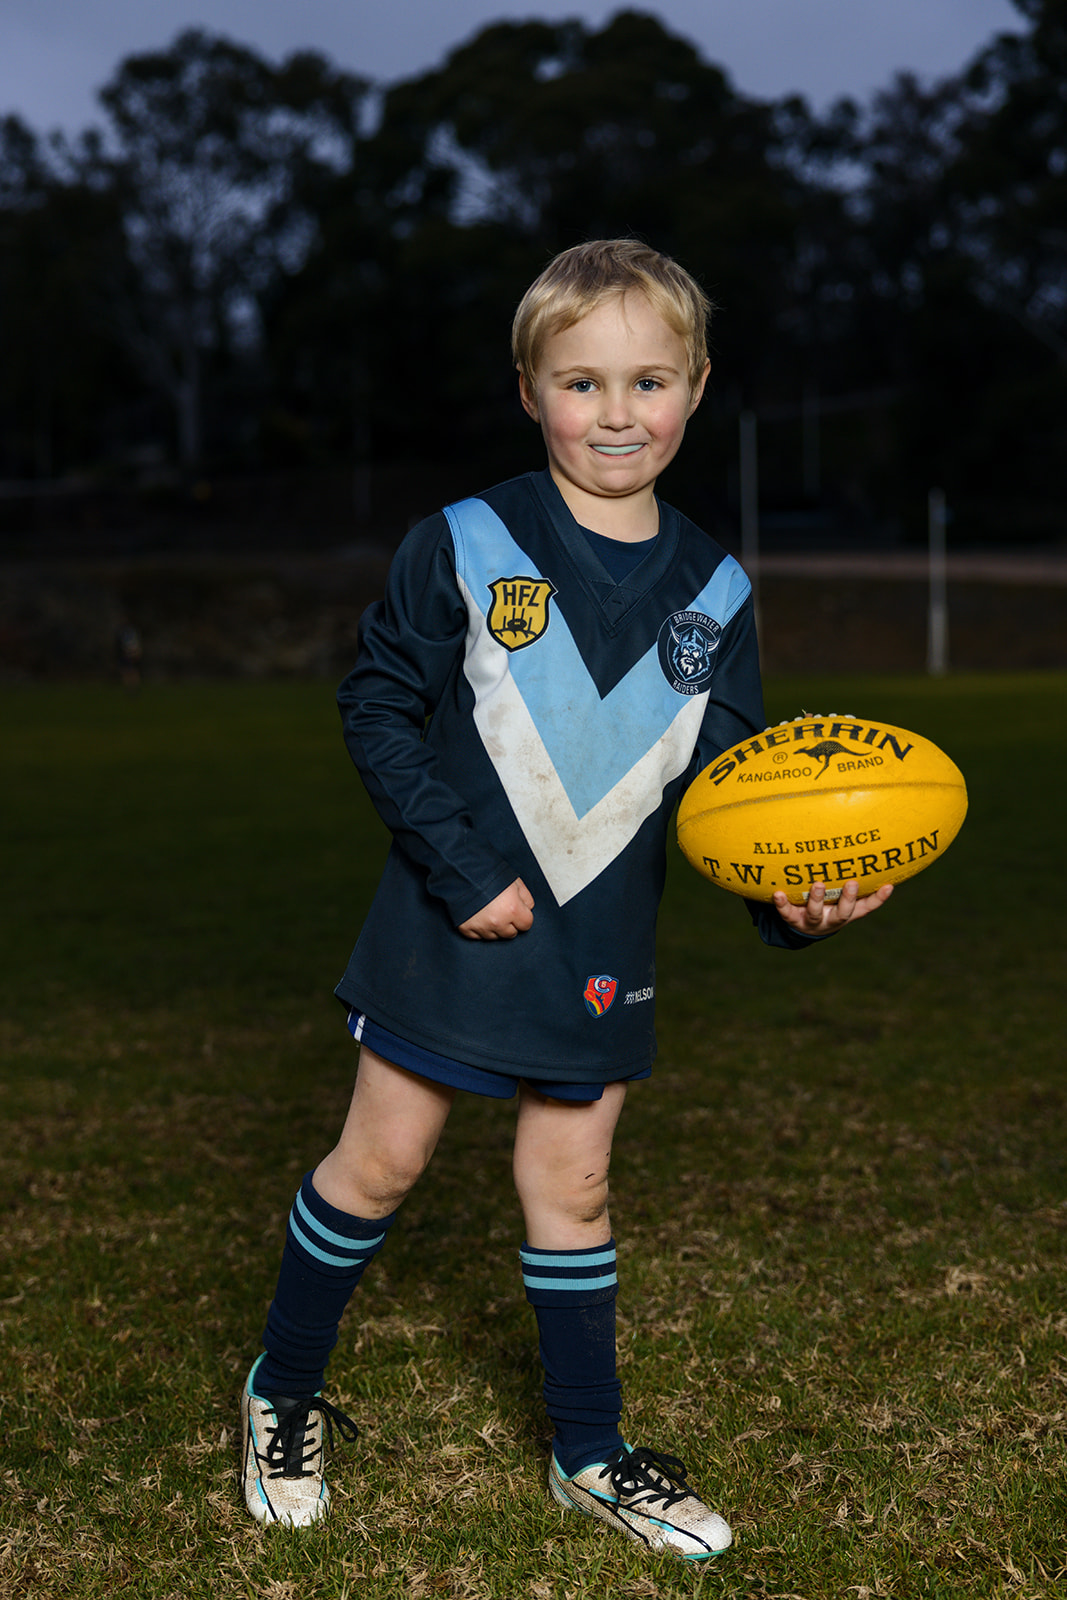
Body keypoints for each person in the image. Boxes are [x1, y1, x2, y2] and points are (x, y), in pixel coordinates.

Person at [239, 238, 892, 1557]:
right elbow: (377, 709)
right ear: (531, 390)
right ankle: (281, 1391)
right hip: (448, 921)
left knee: (574, 1188)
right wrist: (461, 866)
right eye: (582, 382)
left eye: (649, 381)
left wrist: (787, 901)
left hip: (599, 944)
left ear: (696, 387)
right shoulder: (468, 542)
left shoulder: (717, 591)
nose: (616, 412)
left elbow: (727, 798)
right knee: (381, 1164)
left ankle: (589, 1456)